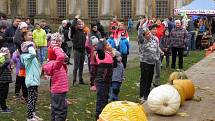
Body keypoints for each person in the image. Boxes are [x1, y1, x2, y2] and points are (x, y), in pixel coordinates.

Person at [44, 33, 69, 121]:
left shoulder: (56, 64)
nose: (58, 44)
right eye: (56, 41)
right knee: (60, 112)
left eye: (60, 42)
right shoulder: (55, 65)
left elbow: (63, 58)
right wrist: (55, 47)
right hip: (59, 91)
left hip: (59, 90)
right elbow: (61, 56)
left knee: (56, 110)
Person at [20, 31, 42, 121]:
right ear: (24, 37)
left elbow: (37, 67)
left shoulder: (31, 57)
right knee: (31, 99)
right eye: (29, 35)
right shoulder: (26, 56)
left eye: (32, 35)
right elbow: (33, 53)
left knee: (34, 98)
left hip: (35, 80)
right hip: (31, 81)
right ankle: (29, 117)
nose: (31, 36)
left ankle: (33, 114)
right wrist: (30, 45)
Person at [138, 26, 160, 103]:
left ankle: (147, 95)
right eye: (147, 34)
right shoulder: (143, 41)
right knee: (144, 79)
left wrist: (157, 58)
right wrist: (141, 26)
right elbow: (140, 35)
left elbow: (157, 49)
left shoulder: (154, 40)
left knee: (150, 79)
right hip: (145, 62)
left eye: (149, 33)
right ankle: (142, 96)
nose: (149, 35)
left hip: (152, 62)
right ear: (144, 36)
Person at [95, 39, 114, 119]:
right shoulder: (101, 55)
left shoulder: (108, 54)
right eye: (108, 44)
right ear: (104, 47)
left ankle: (104, 116)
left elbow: (115, 65)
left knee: (105, 99)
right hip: (101, 81)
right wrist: (101, 41)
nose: (110, 45)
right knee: (101, 100)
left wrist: (114, 56)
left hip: (107, 81)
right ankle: (98, 117)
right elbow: (98, 48)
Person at [69, 16, 87, 85]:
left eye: (82, 24)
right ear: (77, 25)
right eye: (79, 24)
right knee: (76, 66)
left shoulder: (83, 32)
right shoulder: (74, 31)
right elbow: (72, 26)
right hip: (77, 51)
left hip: (83, 50)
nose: (81, 25)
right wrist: (76, 19)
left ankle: (80, 80)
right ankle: (74, 80)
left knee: (81, 66)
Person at [0, 47, 12, 113]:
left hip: (5, 80)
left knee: (4, 94)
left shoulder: (6, 60)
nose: (9, 53)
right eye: (7, 52)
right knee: (2, 94)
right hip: (2, 80)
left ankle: (3, 106)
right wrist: (6, 62)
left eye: (9, 52)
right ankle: (3, 108)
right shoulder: (3, 60)